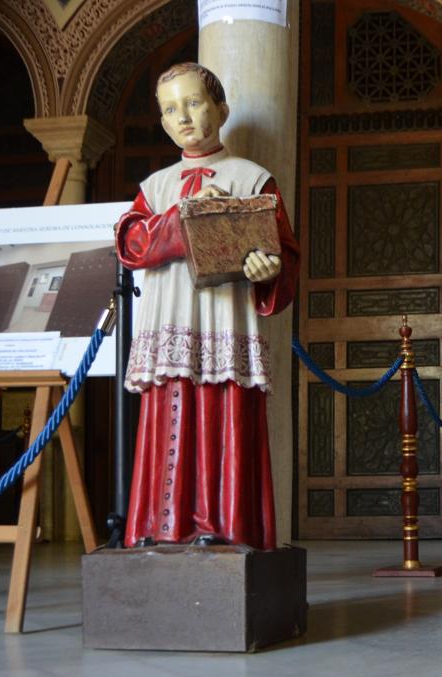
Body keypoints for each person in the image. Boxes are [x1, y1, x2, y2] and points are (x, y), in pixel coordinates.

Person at [115, 62, 299, 550]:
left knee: (223, 417)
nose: (184, 117)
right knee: (168, 417)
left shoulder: (252, 178)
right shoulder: (155, 188)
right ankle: (161, 526)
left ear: (221, 109)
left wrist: (269, 271)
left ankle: (225, 527)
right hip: (170, 320)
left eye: (194, 103)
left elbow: (283, 253)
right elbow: (132, 244)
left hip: (223, 320)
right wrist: (183, 216)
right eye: (171, 109)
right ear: (162, 121)